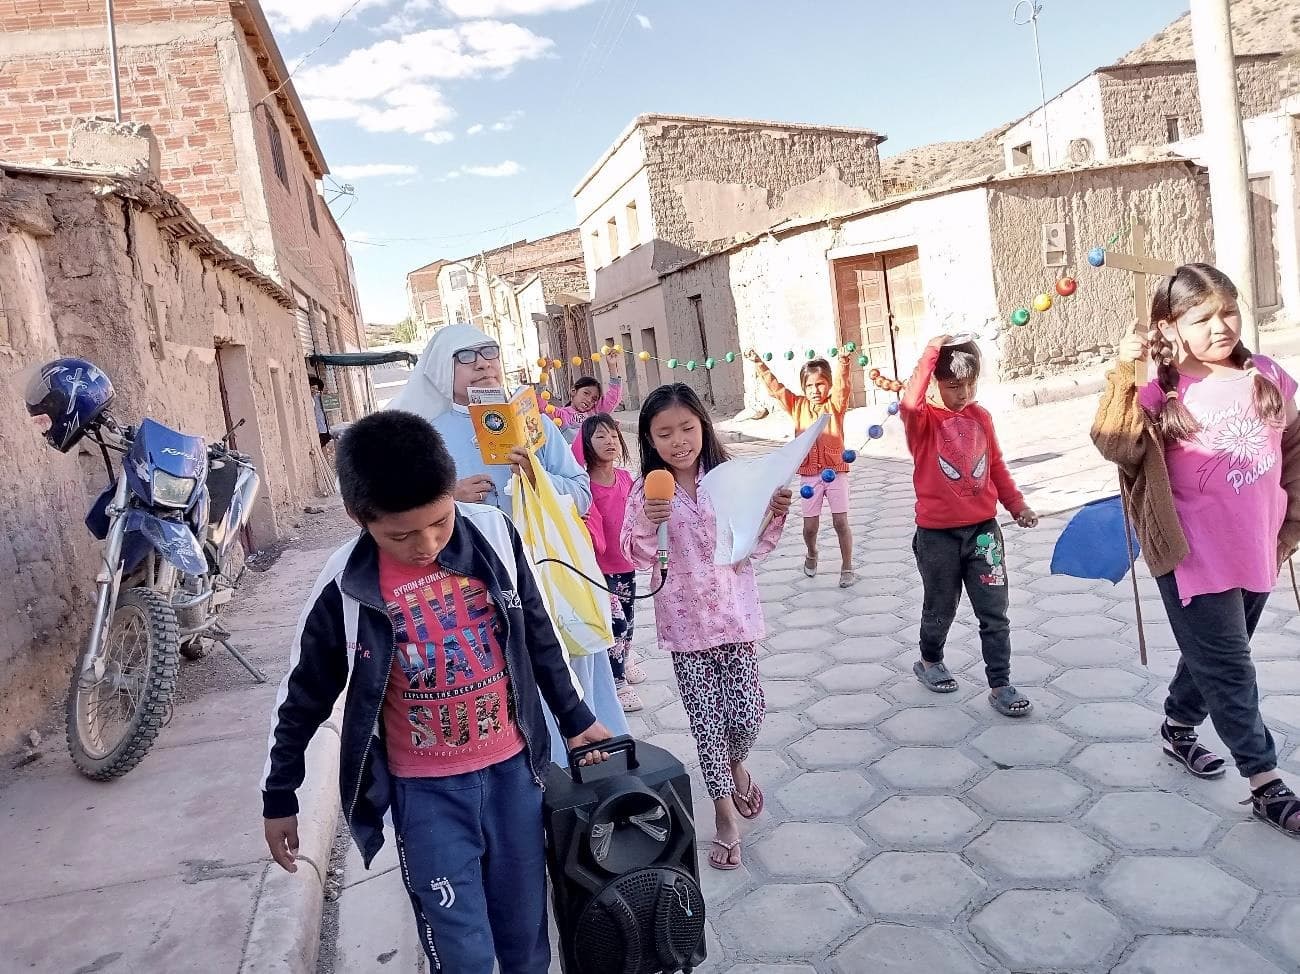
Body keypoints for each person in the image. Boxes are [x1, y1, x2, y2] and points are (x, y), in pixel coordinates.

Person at [261, 411, 613, 973]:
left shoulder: (493, 533)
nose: (425, 545)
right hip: (426, 797)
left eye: (440, 523)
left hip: (515, 778)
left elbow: (537, 632)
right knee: (463, 950)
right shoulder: (344, 584)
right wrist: (280, 793)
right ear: (360, 518)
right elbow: (304, 693)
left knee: (527, 939)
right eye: (400, 535)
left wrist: (576, 718)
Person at [1092, 263, 1300, 836]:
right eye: (1202, 318)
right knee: (1231, 665)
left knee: (1213, 654)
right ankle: (1264, 782)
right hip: (1190, 555)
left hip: (1260, 545)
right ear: (1170, 325)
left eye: (1228, 311)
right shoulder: (1161, 390)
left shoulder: (1268, 376)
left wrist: (1290, 528)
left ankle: (1177, 726)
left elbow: (1296, 447)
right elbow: (1115, 442)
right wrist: (1125, 372)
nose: (1220, 327)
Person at [390, 324, 627, 762]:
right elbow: (396, 517)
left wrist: (538, 477)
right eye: (466, 356)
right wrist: (450, 496)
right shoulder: (422, 435)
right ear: (443, 370)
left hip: (550, 578)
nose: (482, 363)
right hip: (471, 590)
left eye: (489, 352)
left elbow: (581, 492)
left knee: (566, 672)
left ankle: (591, 772)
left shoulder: (530, 421)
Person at [621, 383, 792, 871]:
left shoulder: (728, 478)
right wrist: (647, 524)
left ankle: (734, 764)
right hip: (685, 625)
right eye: (665, 433)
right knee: (707, 723)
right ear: (650, 440)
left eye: (687, 428)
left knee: (748, 714)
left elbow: (751, 545)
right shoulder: (646, 491)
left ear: (703, 426)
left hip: (735, 617)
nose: (678, 441)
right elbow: (635, 555)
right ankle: (723, 816)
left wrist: (773, 513)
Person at [900, 334, 1038, 717]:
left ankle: (1001, 684)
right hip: (936, 537)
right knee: (940, 606)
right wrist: (930, 352)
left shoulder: (981, 418)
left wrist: (1016, 504)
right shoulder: (923, 422)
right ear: (936, 385)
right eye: (953, 385)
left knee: (994, 611)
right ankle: (929, 660)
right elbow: (910, 401)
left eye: (969, 385)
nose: (962, 394)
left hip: (983, 534)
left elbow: (994, 466)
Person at [745, 348, 855, 586]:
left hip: (836, 472)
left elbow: (844, 385)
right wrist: (758, 363)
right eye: (810, 386)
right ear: (803, 388)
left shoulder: (835, 404)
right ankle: (812, 552)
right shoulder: (797, 406)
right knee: (810, 527)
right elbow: (776, 388)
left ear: (829, 385)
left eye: (821, 384)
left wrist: (844, 360)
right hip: (810, 475)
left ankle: (847, 566)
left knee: (840, 522)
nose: (816, 390)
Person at [573, 413, 648, 712]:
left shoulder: (627, 479)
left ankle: (624, 657)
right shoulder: (584, 486)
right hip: (601, 570)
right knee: (615, 624)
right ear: (586, 445)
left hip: (626, 563)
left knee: (628, 622)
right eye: (601, 436)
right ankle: (617, 681)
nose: (610, 441)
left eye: (614, 436)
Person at [551, 355, 625, 443]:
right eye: (586, 393)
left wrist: (612, 366)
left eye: (594, 399)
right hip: (572, 456)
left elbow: (613, 398)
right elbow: (540, 407)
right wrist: (544, 373)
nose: (589, 400)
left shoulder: (594, 413)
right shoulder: (562, 414)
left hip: (591, 455)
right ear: (573, 391)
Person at [309, 375, 331, 449]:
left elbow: (325, 397)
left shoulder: (316, 397)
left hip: (320, 425)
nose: (314, 390)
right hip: (314, 425)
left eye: (316, 389)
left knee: (324, 439)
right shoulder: (308, 397)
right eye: (313, 388)